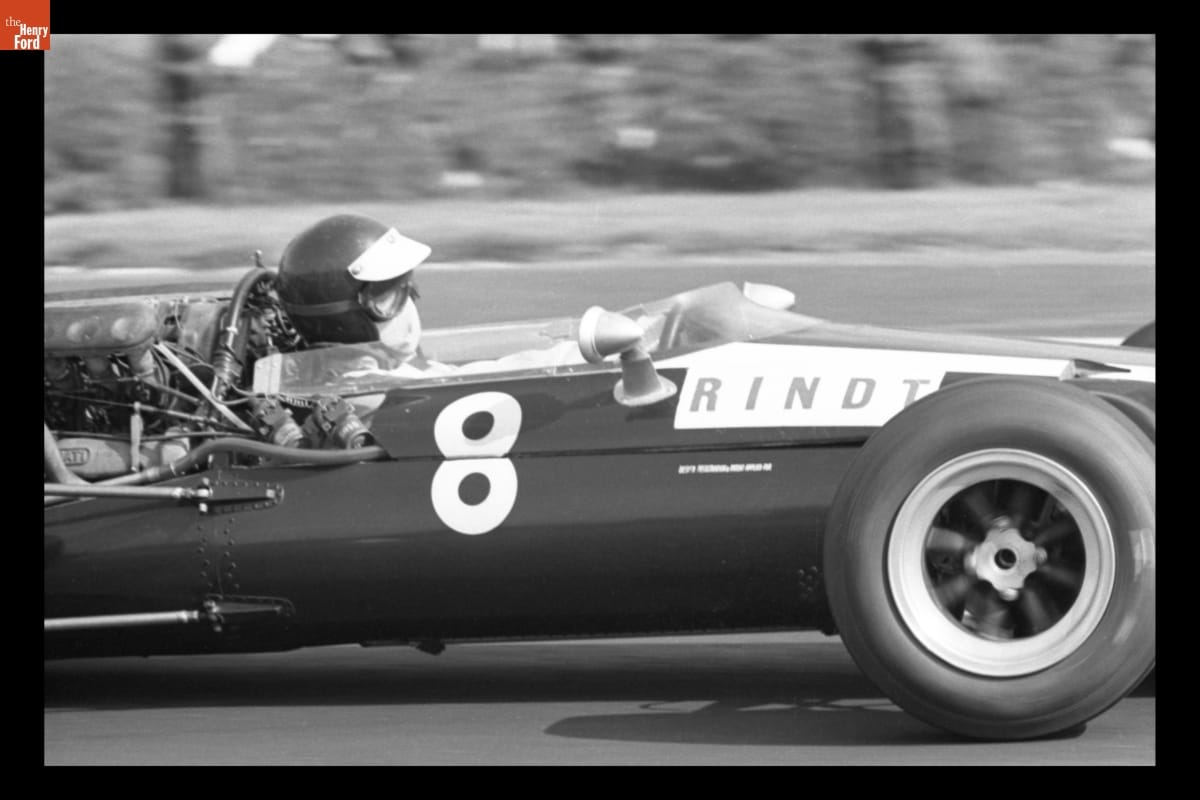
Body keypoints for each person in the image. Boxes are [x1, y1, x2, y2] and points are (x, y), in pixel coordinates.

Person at [275, 213, 433, 369]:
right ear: (341, 320)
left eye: (407, 290)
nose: (408, 315)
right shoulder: (376, 383)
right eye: (387, 300)